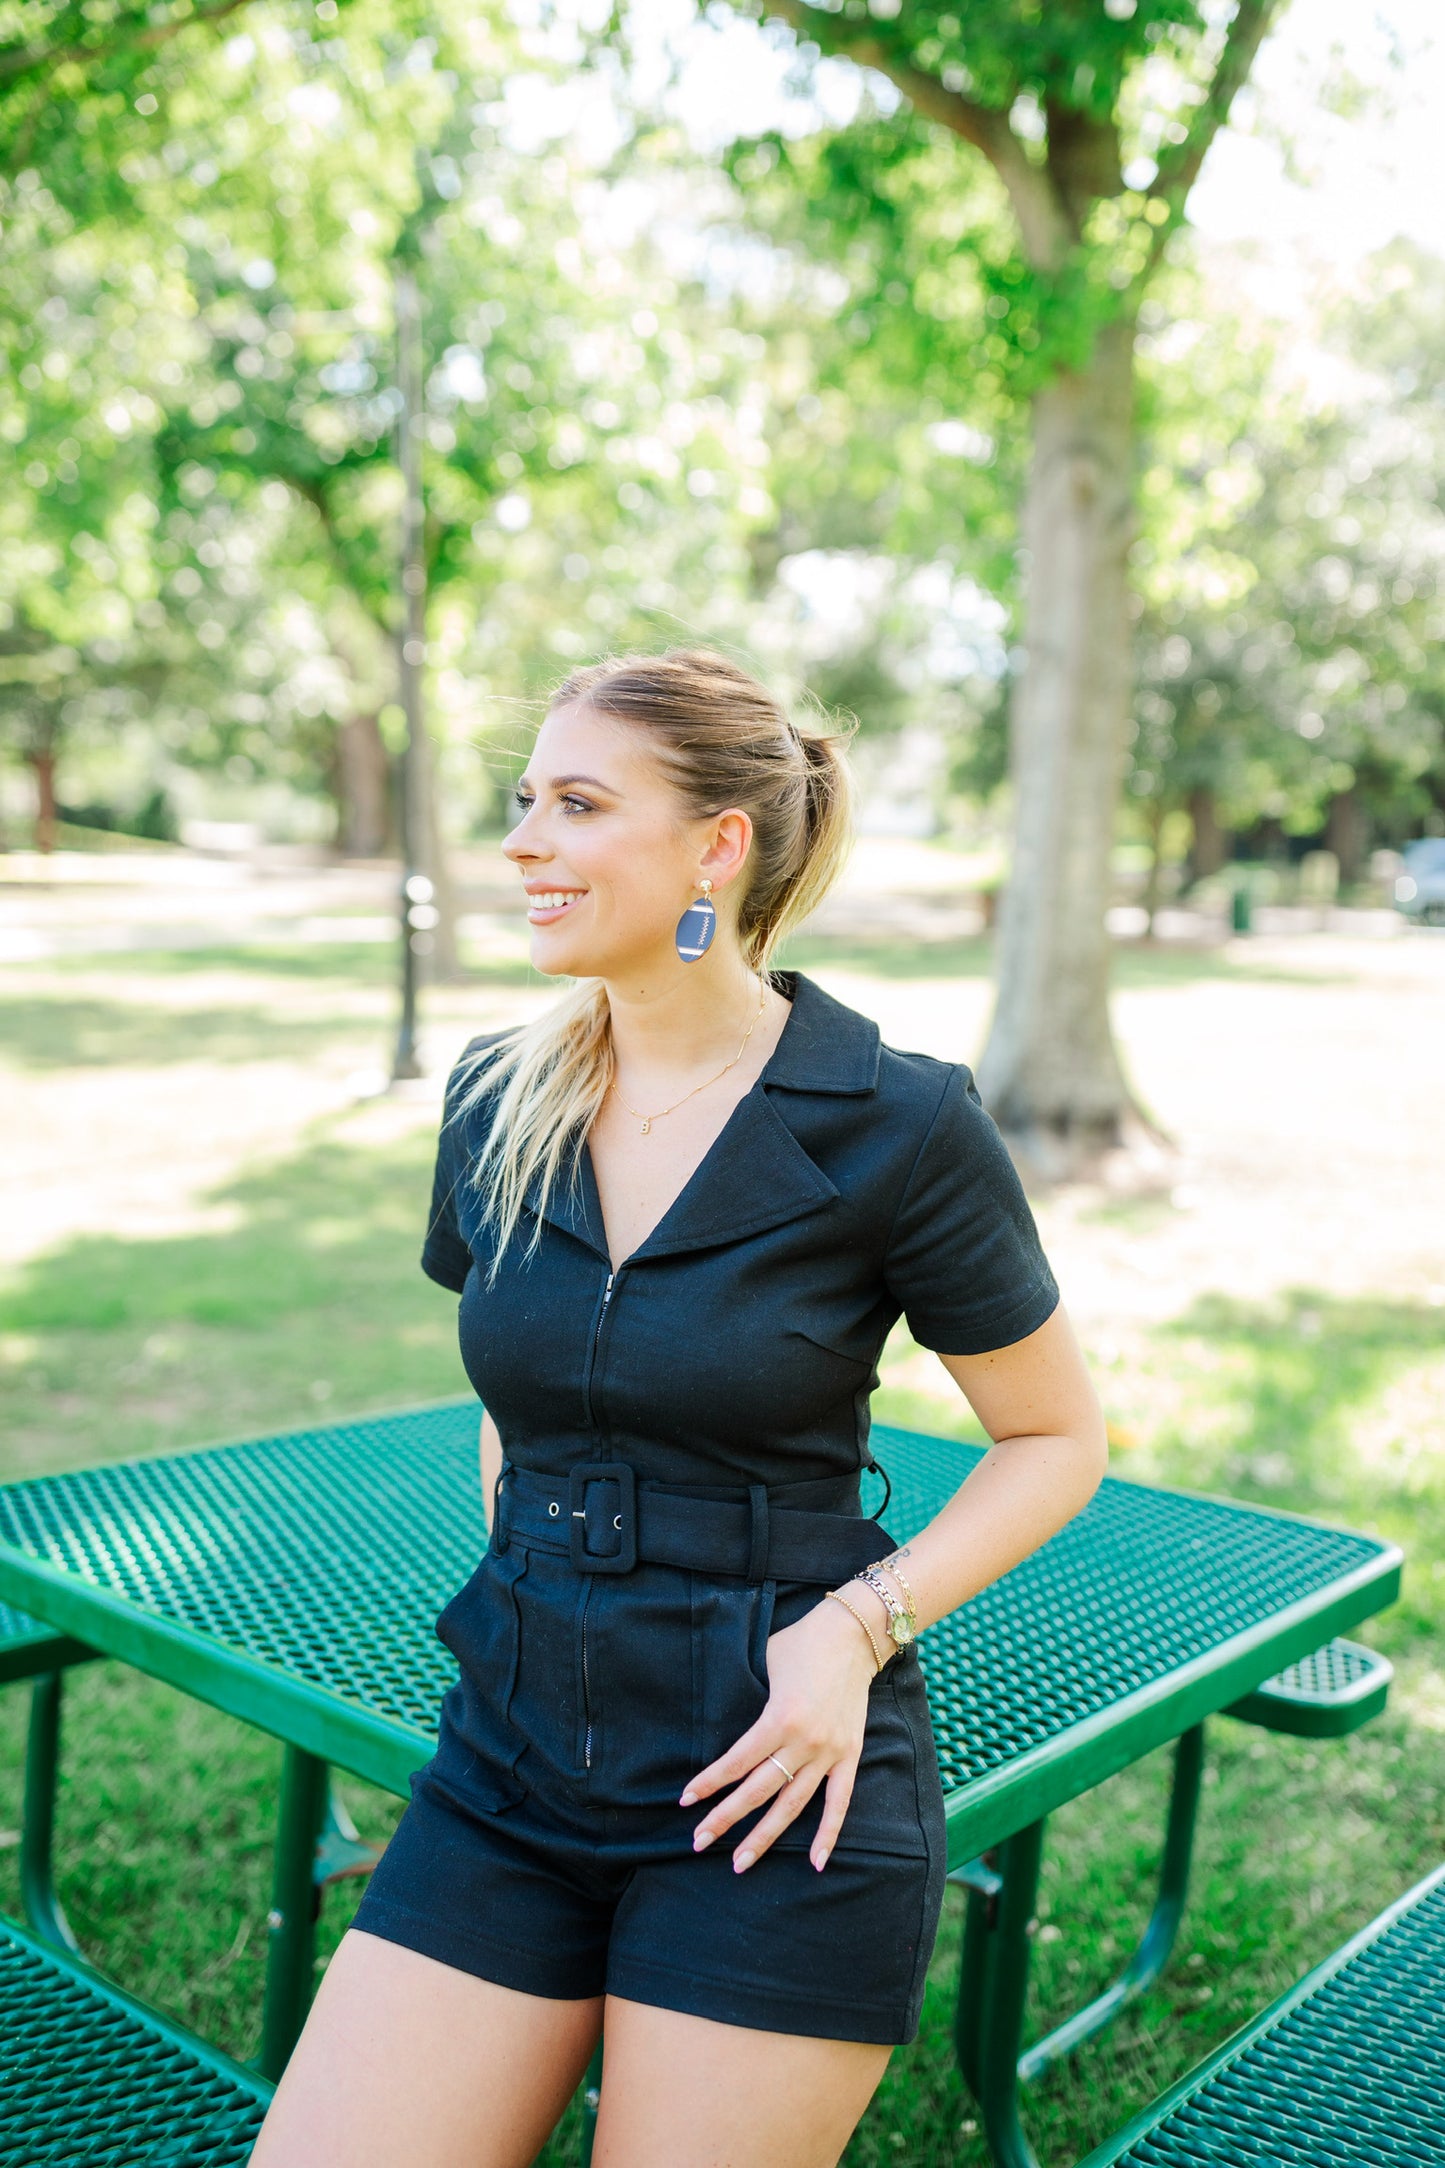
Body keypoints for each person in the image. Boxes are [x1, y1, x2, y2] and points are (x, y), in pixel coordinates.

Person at [252, 647, 1107, 2168]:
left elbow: (1055, 1440)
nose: (522, 841)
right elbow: (520, 1395)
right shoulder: (495, 1099)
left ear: (718, 845)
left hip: (773, 1777)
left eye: (577, 804)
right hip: (512, 1758)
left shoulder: (898, 1122)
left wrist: (853, 1630)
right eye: (524, 801)